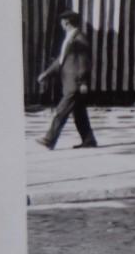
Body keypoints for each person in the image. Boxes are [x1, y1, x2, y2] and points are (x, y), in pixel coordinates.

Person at [35, 10, 97, 150]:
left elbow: (84, 62)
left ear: (66, 22)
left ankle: (49, 139)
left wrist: (82, 82)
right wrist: (47, 73)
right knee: (80, 114)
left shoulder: (80, 39)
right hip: (70, 83)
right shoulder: (70, 38)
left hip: (74, 84)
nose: (61, 24)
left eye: (62, 21)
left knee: (61, 111)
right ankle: (89, 140)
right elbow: (61, 60)